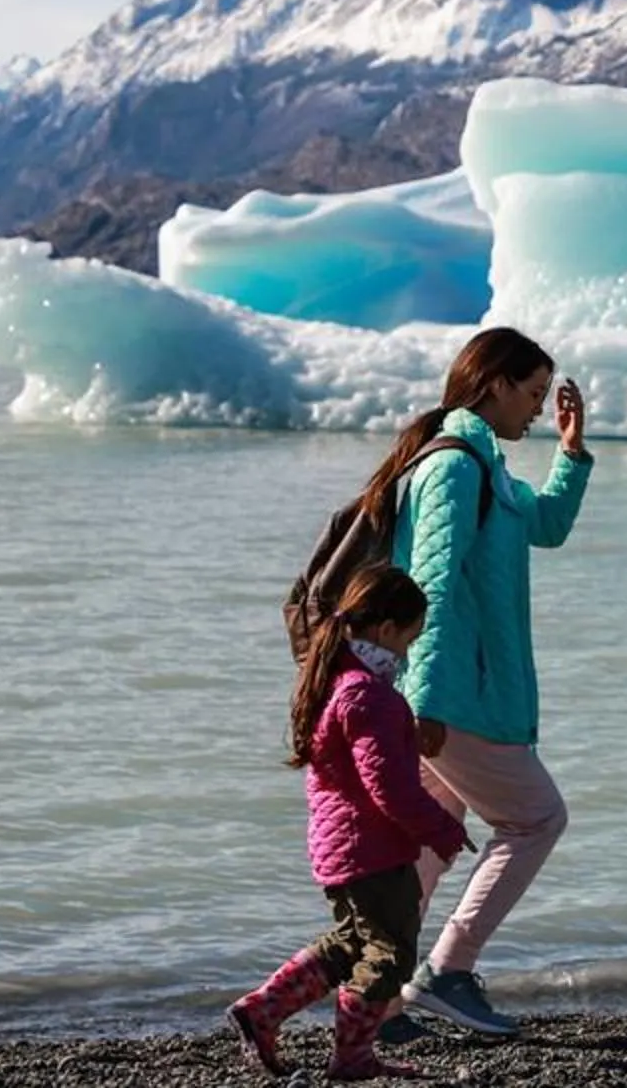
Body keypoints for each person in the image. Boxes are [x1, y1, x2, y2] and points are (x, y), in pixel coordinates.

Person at [380, 328, 594, 1038]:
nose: (536, 408)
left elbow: (548, 525)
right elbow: (431, 588)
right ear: (495, 384)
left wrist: (571, 451)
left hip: (456, 691)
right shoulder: (455, 468)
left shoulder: (488, 469)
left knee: (428, 847)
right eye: (532, 393)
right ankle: (447, 971)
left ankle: (376, 1002)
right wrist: (425, 701)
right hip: (453, 694)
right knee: (536, 819)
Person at [226, 564, 471, 1081]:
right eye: (408, 640)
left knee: (352, 942)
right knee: (390, 954)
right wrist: (443, 830)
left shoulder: (335, 679)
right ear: (385, 629)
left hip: (343, 846)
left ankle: (263, 1010)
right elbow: (390, 787)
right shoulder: (367, 695)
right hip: (371, 850)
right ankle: (352, 1055)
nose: (406, 655)